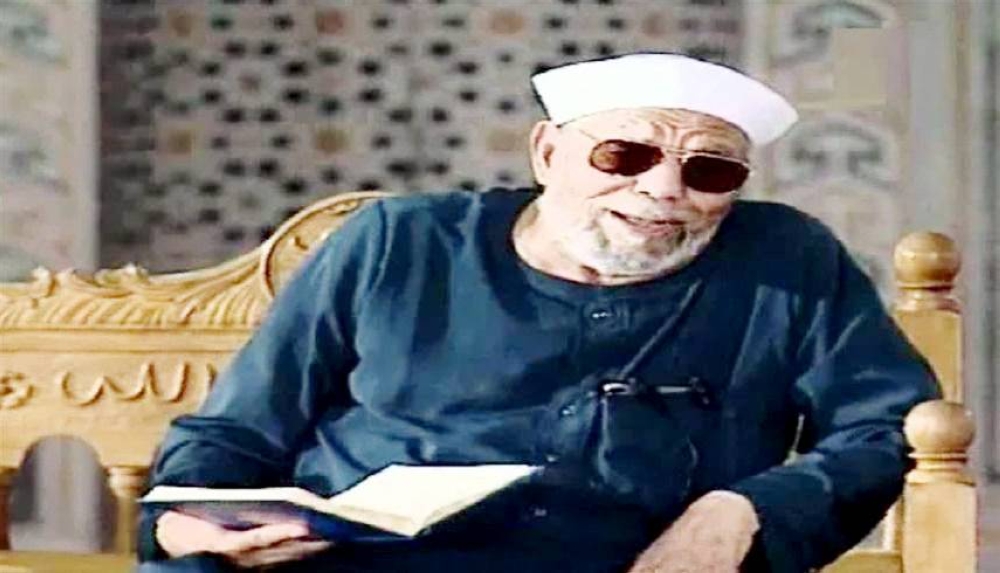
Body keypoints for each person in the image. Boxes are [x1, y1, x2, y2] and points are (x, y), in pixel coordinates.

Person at [137, 53, 939, 573]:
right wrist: (183, 525)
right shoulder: (397, 242)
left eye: (709, 171)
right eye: (624, 156)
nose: (663, 190)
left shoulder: (785, 259)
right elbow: (233, 436)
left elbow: (885, 427)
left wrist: (744, 510)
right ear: (547, 153)